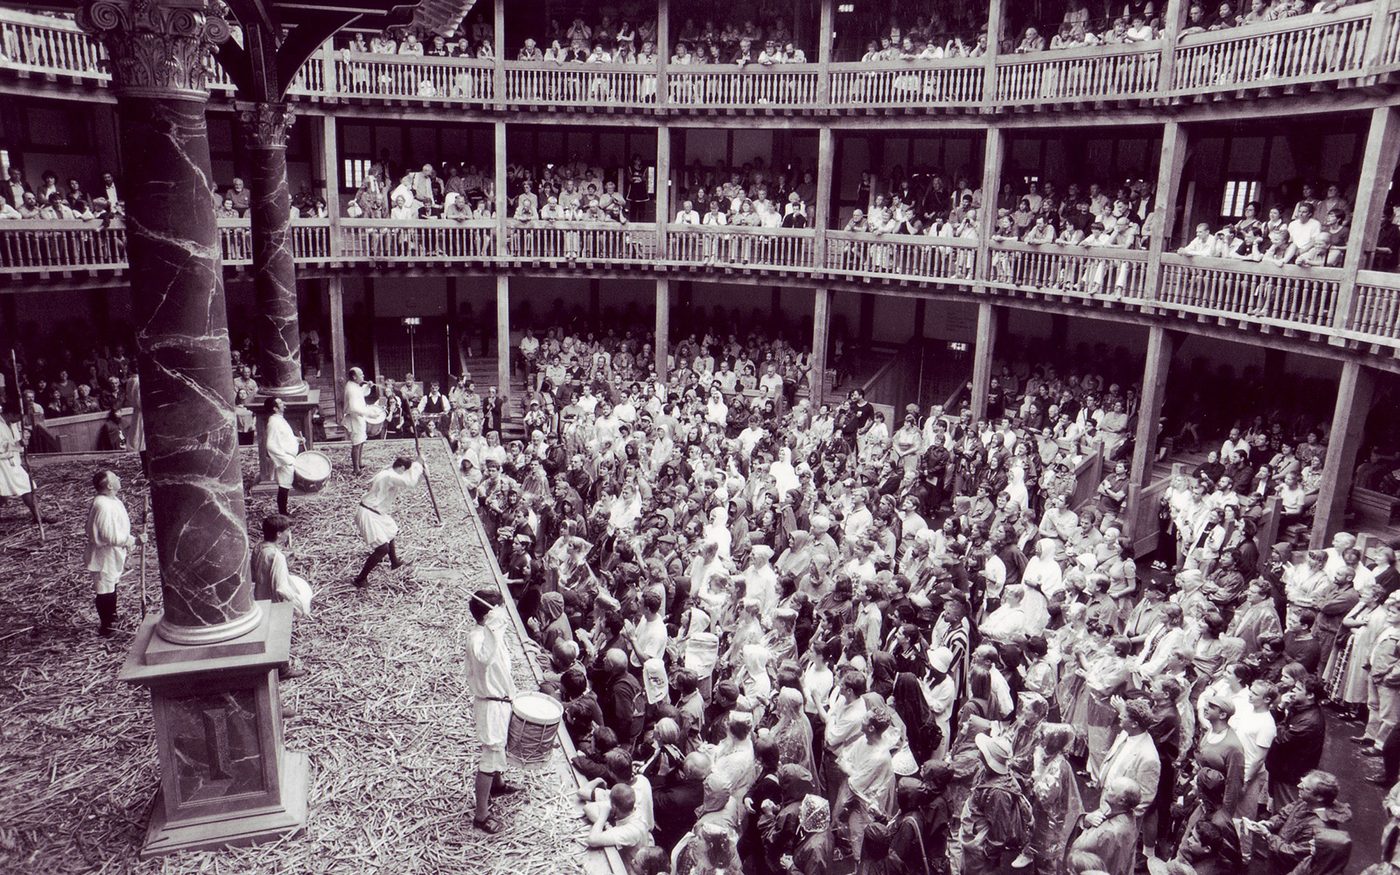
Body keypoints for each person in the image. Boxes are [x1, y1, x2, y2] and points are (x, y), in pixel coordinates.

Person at [464, 587, 523, 833]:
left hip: (501, 700)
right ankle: (481, 815)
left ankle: (497, 784)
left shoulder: (491, 633)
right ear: (489, 615)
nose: (503, 613)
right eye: (499, 609)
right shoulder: (478, 637)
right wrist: (493, 626)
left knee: (499, 747)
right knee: (490, 756)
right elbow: (484, 658)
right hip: (490, 705)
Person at [250, 513, 313, 680]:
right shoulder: (277, 557)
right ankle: (283, 670)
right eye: (287, 530)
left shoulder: (259, 547)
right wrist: (298, 604)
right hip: (274, 601)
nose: (289, 533)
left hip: (260, 597)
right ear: (279, 534)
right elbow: (281, 588)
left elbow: (254, 575)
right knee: (280, 633)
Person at [83, 469, 140, 637]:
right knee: (104, 589)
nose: (119, 479)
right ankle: (106, 626)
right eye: (115, 478)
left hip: (112, 553)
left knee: (111, 585)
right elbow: (110, 536)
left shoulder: (112, 500)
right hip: (104, 555)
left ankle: (112, 616)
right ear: (109, 485)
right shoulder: (103, 505)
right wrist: (133, 541)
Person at [352, 455, 424, 587]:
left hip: (376, 512)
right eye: (406, 471)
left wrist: (421, 472)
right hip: (368, 512)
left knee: (390, 531)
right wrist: (418, 465)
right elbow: (409, 482)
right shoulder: (389, 476)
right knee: (382, 548)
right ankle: (360, 579)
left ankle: (394, 562)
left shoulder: (389, 473)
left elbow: (411, 482)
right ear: (401, 467)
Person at [0, 413, 47, 525]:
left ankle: (38, 516)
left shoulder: (13, 424)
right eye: (17, 416)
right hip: (1, 464)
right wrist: (18, 443)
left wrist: (24, 439)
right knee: (2, 494)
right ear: (10, 412)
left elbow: (18, 443)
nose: (18, 419)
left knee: (27, 486)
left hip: (13, 462)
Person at [264, 397, 301, 517]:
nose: (283, 404)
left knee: (286, 486)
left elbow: (285, 437)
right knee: (284, 487)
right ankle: (283, 514)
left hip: (288, 458)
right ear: (275, 408)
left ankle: (283, 513)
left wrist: (297, 440)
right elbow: (270, 445)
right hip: (285, 460)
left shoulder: (279, 419)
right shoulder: (273, 422)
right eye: (280, 403)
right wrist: (285, 460)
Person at [343, 366, 370, 475]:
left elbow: (362, 394)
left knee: (361, 439)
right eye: (361, 374)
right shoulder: (350, 389)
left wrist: (367, 386)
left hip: (359, 416)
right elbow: (353, 407)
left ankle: (359, 462)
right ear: (354, 377)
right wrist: (369, 413)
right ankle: (356, 469)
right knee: (357, 443)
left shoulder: (355, 385)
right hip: (354, 417)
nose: (363, 376)